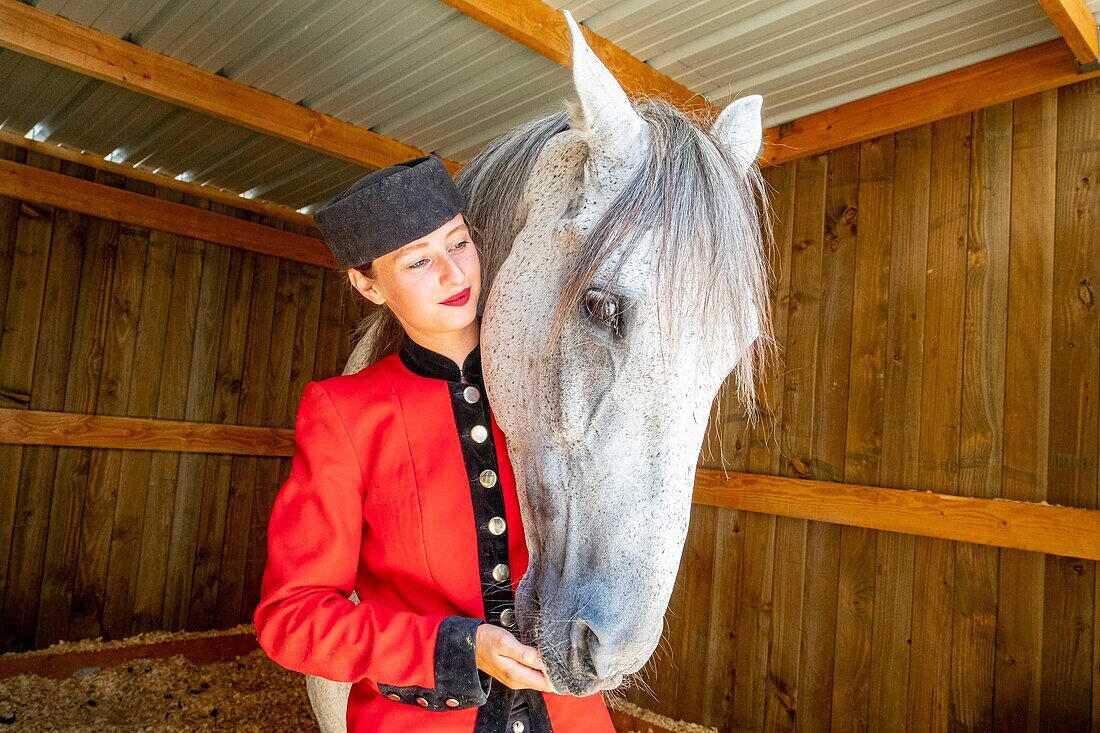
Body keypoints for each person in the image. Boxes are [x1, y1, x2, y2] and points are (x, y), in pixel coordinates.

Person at [253, 154, 616, 733]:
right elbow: (290, 619)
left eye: (459, 244)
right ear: (367, 285)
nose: (455, 274)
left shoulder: (557, 384)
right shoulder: (344, 413)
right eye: (419, 261)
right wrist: (457, 646)